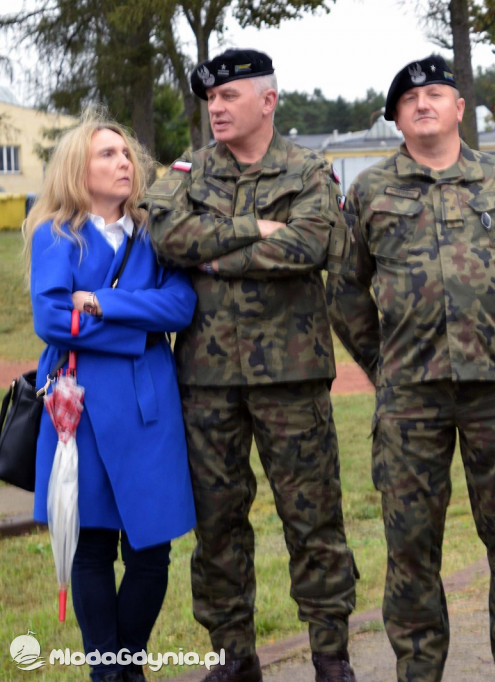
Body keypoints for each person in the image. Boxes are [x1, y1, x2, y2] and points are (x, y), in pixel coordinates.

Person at [325, 55, 495, 682]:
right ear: (395, 117)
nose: (423, 104)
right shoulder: (369, 191)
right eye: (409, 99)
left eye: (435, 94)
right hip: (409, 402)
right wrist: (384, 363)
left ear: (458, 108)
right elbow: (344, 290)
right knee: (411, 551)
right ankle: (418, 672)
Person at [142, 49, 357, 682]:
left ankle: (331, 655)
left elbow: (312, 242)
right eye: (210, 99)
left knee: (313, 517)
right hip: (206, 380)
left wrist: (214, 254)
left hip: (291, 377)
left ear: (267, 100)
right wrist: (255, 229)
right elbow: (164, 237)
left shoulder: (309, 168)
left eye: (229, 96)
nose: (216, 108)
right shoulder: (187, 170)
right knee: (218, 522)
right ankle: (233, 655)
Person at [26, 115, 197, 682]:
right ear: (80, 168)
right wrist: (136, 328)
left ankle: (123, 664)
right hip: (79, 412)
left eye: (126, 154)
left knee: (152, 552)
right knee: (91, 548)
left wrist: (101, 303)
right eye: (107, 154)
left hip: (150, 408)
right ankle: (113, 673)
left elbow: (181, 306)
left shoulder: (154, 232)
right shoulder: (56, 233)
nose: (124, 163)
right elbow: (52, 318)